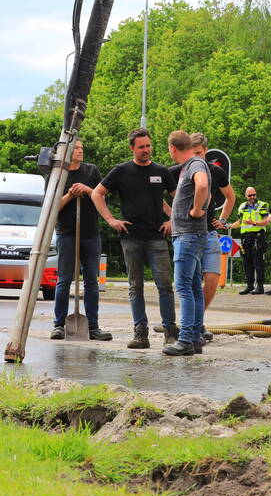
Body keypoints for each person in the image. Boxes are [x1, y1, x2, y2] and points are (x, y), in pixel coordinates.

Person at [91, 128, 178, 349]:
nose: (146, 150)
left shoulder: (161, 171)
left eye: (148, 146)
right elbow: (97, 193)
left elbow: (179, 198)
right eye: (141, 147)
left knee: (165, 286)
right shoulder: (121, 171)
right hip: (131, 237)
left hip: (158, 237)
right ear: (132, 148)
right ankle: (141, 333)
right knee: (135, 287)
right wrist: (111, 219)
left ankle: (170, 332)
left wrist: (172, 221)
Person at [168, 133, 235, 344]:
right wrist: (173, 215)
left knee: (204, 280)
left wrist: (220, 219)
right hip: (192, 231)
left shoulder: (206, 169)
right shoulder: (179, 170)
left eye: (198, 152)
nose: (195, 156)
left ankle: (192, 329)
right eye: (192, 151)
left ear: (205, 151)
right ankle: (196, 327)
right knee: (193, 284)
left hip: (204, 232)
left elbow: (226, 195)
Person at [50, 139, 112, 341]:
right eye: (76, 148)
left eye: (81, 148)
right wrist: (69, 194)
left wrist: (87, 190)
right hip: (67, 233)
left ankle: (93, 326)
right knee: (64, 280)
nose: (80, 151)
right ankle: (58, 325)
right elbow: (52, 208)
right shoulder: (58, 174)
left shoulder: (91, 171)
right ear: (67, 152)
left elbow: (102, 197)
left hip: (90, 233)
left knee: (92, 281)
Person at [163, 130, 210, 356]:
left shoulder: (194, 166)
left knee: (183, 287)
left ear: (173, 148)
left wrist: (197, 209)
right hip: (192, 235)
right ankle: (194, 338)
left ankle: (185, 340)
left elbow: (201, 186)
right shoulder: (192, 166)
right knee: (193, 288)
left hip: (188, 235)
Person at [230, 187, 270, 295]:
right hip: (245, 237)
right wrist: (228, 226)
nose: (252, 197)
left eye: (254, 195)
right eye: (250, 195)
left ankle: (260, 286)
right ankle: (249, 285)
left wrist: (254, 222)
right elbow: (239, 222)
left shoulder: (262, 205)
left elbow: (266, 222)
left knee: (258, 261)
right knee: (247, 262)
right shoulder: (242, 206)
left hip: (257, 236)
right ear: (245, 196)